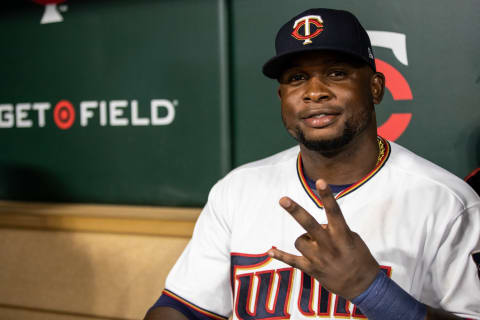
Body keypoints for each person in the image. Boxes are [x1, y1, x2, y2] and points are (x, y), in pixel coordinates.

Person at [145, 8, 480, 320]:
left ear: (375, 88)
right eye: (296, 78)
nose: (314, 92)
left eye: (336, 73)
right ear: (282, 99)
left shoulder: (447, 202)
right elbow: (181, 307)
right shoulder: (237, 189)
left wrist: (372, 290)